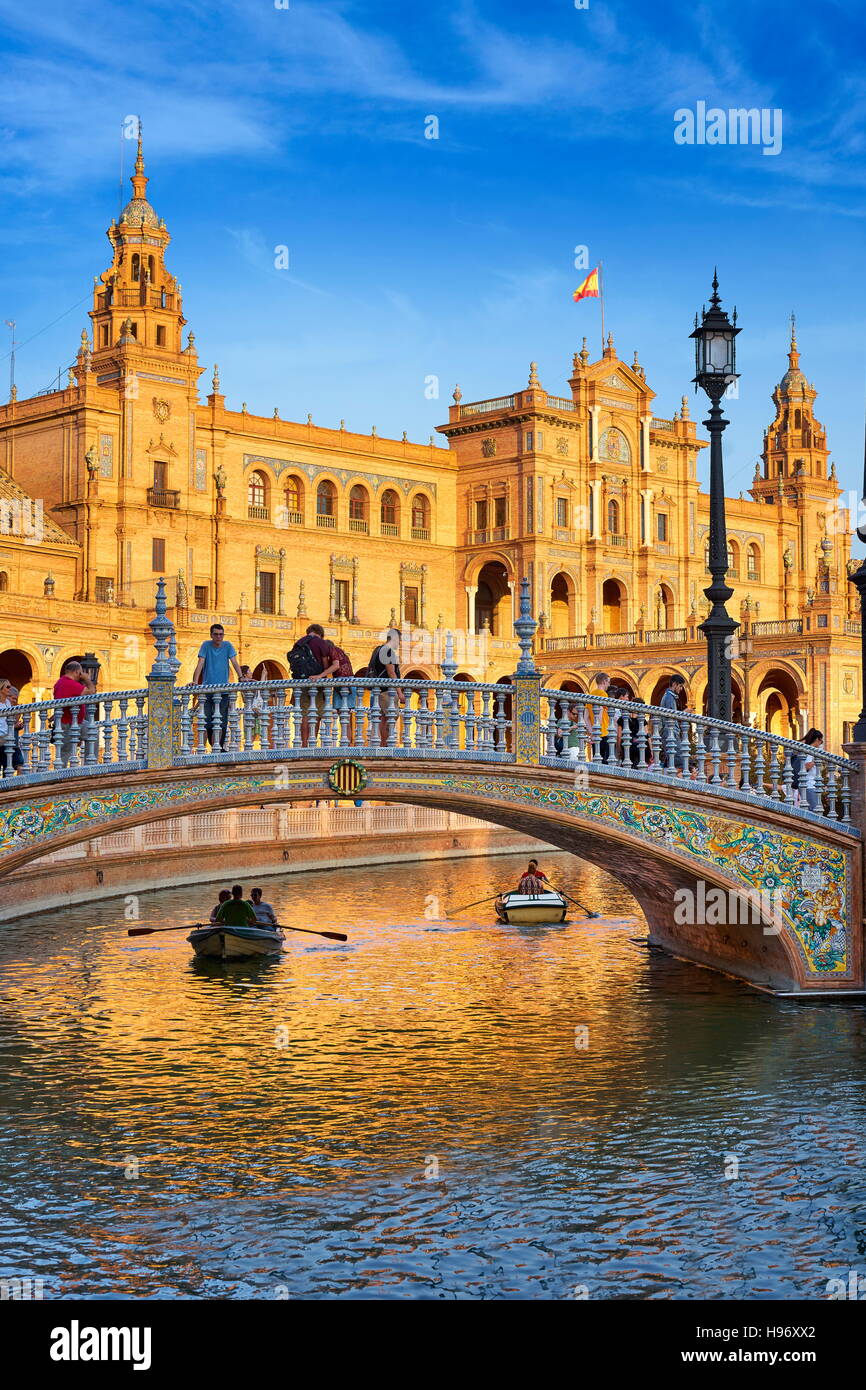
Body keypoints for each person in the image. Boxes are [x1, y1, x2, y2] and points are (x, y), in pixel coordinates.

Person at [193, 624, 243, 751]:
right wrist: (194, 681)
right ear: (211, 635)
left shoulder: (228, 646)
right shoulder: (206, 645)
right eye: (216, 634)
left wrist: (241, 677)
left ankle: (218, 747)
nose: (218, 637)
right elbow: (200, 663)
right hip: (208, 690)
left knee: (222, 721)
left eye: (221, 634)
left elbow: (235, 662)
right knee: (207, 721)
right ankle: (205, 748)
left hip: (223, 690)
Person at [295, 623, 340, 746]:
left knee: (305, 713)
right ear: (320, 633)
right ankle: (312, 742)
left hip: (302, 682)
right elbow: (325, 664)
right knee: (317, 713)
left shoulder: (299, 642)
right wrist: (323, 675)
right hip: (317, 683)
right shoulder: (321, 643)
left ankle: (304, 744)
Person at [52, 659, 95, 768]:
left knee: (92, 731)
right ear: (76, 672)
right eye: (80, 673)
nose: (81, 676)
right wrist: (88, 680)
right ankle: (60, 776)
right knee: (65, 752)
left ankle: (91, 764)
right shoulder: (70, 683)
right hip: (68, 723)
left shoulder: (60, 682)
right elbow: (92, 693)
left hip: (75, 722)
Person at [368, 626, 405, 745]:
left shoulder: (378, 650)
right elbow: (391, 672)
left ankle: (384, 744)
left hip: (378, 690)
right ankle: (385, 744)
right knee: (390, 718)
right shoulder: (388, 651)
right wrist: (400, 693)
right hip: (386, 692)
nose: (399, 644)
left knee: (383, 718)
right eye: (399, 641)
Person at [659, 676, 687, 774]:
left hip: (670, 732)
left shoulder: (669, 696)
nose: (681, 689)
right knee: (679, 762)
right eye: (680, 686)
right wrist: (685, 712)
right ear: (674, 684)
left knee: (674, 760)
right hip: (670, 732)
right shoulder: (669, 697)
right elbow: (671, 716)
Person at [584, 671, 612, 761]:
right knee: (606, 762)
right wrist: (598, 729)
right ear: (604, 681)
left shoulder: (590, 695)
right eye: (608, 682)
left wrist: (592, 732)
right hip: (603, 732)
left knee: (597, 760)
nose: (609, 685)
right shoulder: (603, 694)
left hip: (594, 734)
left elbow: (586, 717)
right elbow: (599, 713)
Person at [0, 685, 24, 778]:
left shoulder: (9, 706)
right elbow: (4, 725)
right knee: (16, 765)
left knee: (17, 765)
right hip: (4, 742)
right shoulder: (3, 705)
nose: (15, 701)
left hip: (12, 743)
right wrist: (14, 726)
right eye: (13, 698)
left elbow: (13, 722)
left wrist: (18, 713)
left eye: (16, 699)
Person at [801, 728, 824, 811]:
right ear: (817, 739)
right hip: (809, 785)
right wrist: (816, 760)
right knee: (816, 811)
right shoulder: (810, 751)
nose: (821, 744)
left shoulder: (810, 750)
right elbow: (806, 766)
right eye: (821, 741)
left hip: (812, 785)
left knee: (816, 810)